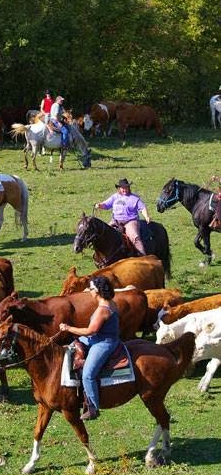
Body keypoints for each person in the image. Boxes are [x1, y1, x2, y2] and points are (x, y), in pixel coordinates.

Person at [59, 276, 120, 420]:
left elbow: (90, 331)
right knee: (72, 346)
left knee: (88, 374)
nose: (89, 291)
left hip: (104, 342)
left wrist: (68, 328)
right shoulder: (109, 303)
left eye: (91, 289)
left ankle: (93, 407)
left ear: (98, 291)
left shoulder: (103, 309)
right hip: (98, 338)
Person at [95, 178, 150, 255]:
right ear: (119, 188)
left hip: (130, 221)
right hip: (115, 221)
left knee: (134, 237)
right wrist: (100, 205)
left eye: (126, 188)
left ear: (129, 188)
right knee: (104, 233)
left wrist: (146, 216)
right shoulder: (115, 197)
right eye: (122, 188)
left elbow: (142, 208)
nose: (124, 190)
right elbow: (106, 204)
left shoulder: (134, 198)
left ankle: (142, 256)